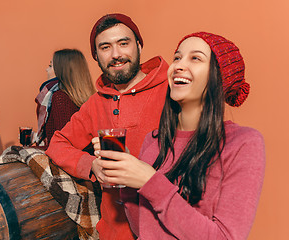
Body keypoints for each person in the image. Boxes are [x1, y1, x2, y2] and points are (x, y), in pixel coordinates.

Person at [93, 32, 266, 239]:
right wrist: (127, 176)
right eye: (177, 57)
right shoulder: (154, 141)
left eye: (195, 58)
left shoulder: (243, 143)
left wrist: (150, 180)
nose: (178, 66)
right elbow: (144, 230)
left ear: (219, 77)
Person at [47, 13, 169, 239]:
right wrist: (92, 165)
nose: (116, 54)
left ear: (138, 45)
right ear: (96, 56)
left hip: (166, 229)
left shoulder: (171, 91)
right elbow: (57, 143)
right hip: (113, 231)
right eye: (105, 47)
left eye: (124, 43)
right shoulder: (96, 103)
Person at [35, 49, 96, 149]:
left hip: (65, 160)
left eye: (50, 66)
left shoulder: (60, 97)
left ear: (61, 71)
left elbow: (62, 145)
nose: (47, 70)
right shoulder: (92, 99)